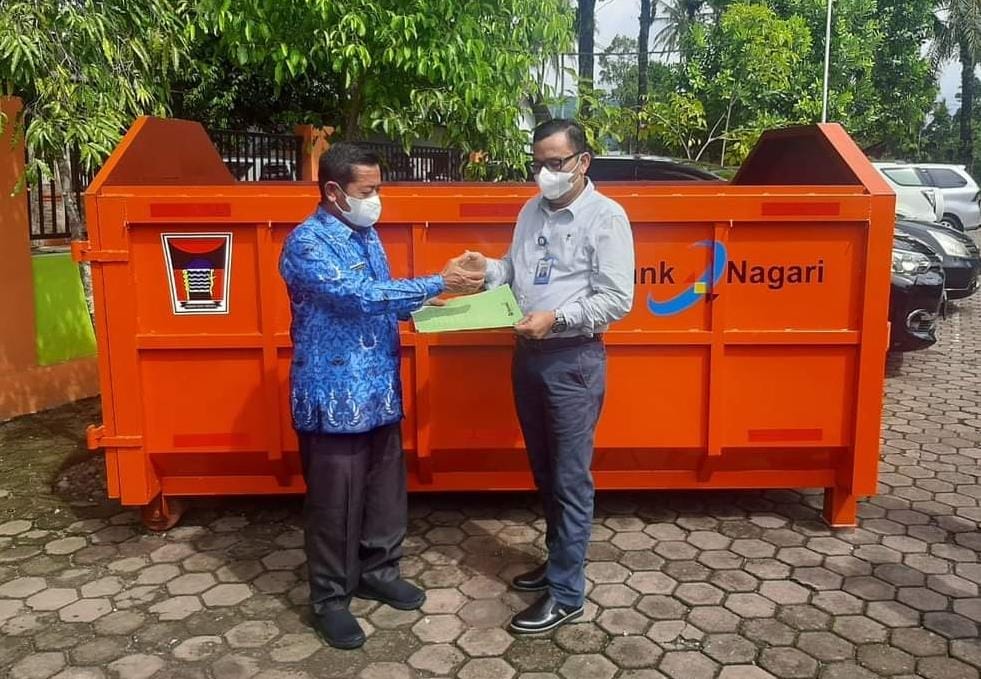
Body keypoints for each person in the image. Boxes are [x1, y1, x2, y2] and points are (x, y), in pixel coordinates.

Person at [279, 142, 484, 649]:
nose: (375, 199)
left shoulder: (367, 236)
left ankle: (379, 570)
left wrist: (437, 306)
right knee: (334, 503)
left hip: (379, 389)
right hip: (333, 395)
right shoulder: (306, 243)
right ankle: (330, 598)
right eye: (367, 190)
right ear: (333, 191)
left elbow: (383, 299)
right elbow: (357, 296)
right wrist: (437, 281)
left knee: (384, 491)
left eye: (377, 188)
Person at [463, 119, 635, 633]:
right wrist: (486, 270)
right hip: (529, 356)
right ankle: (559, 561)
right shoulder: (530, 211)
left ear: (582, 162)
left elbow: (617, 299)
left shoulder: (607, 217)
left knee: (569, 479)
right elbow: (515, 272)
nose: (545, 173)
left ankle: (567, 594)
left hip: (572, 360)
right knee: (545, 472)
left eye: (555, 163)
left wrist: (556, 319)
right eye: (537, 163)